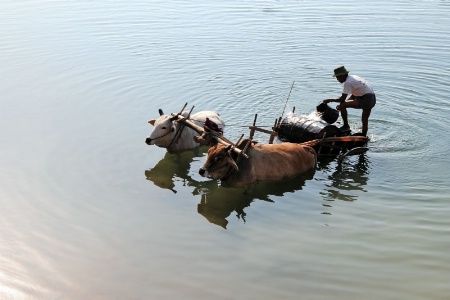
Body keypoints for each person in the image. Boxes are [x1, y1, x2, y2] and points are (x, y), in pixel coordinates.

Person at [323, 66, 376, 136]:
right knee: (364, 121)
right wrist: (345, 104)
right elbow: (354, 95)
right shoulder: (353, 78)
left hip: (365, 100)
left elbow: (342, 99)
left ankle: (346, 126)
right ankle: (363, 137)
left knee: (342, 104)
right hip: (372, 99)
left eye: (338, 77)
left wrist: (330, 100)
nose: (337, 79)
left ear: (342, 76)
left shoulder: (348, 82)